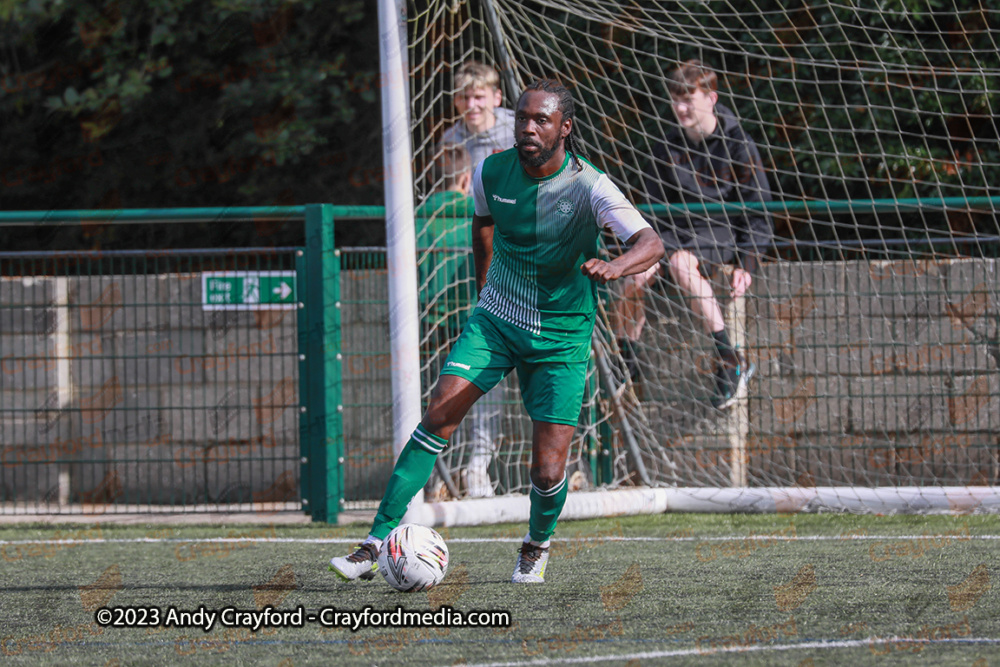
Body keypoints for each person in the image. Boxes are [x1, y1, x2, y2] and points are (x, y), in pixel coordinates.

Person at [331, 79, 664, 584]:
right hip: (496, 323)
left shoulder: (591, 186)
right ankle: (373, 543)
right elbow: (482, 224)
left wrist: (618, 268)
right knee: (439, 413)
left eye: (541, 120)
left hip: (561, 338)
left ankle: (535, 545)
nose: (528, 128)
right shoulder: (490, 170)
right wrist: (486, 288)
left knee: (548, 471)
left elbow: (650, 242)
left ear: (565, 128)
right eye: (522, 118)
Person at [613, 59, 772, 409]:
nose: (681, 107)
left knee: (684, 265)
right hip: (672, 234)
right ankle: (627, 364)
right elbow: (650, 210)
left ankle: (730, 361)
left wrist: (747, 262)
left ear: (710, 98)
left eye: (689, 99)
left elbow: (758, 211)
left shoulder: (738, 145)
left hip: (716, 232)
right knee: (632, 273)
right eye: (676, 99)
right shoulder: (666, 148)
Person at [427, 60, 516, 498]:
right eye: (464, 97)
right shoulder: (452, 140)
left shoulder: (520, 131)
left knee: (546, 370)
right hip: (468, 275)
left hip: (519, 262)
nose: (471, 104)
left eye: (479, 96)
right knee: (474, 372)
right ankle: (468, 468)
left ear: (496, 98)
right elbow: (448, 200)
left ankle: (569, 467)